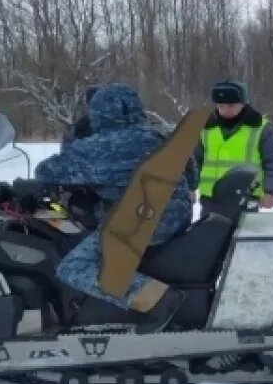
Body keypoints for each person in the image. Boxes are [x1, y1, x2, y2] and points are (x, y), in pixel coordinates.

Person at [33, 82, 195, 332]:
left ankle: (156, 300)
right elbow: (192, 176)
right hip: (176, 217)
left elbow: (48, 170)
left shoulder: (103, 146)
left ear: (99, 113)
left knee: (74, 266)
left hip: (141, 222)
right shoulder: (161, 135)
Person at [193, 79, 273, 216]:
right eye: (221, 106)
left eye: (231, 105)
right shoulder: (206, 127)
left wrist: (271, 191)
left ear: (243, 103)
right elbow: (194, 162)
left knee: (241, 237)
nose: (225, 110)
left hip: (246, 198)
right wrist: (190, 188)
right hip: (211, 200)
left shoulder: (261, 128)